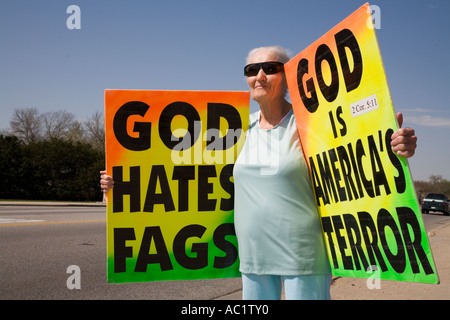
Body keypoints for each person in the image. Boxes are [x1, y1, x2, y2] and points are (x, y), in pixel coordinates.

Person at [100, 45, 418, 300]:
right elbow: (177, 174)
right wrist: (119, 186)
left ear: (289, 76)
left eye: (271, 68)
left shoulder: (311, 124)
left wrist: (394, 147)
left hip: (304, 256)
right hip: (252, 257)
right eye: (252, 70)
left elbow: (358, 156)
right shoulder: (237, 129)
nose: (261, 75)